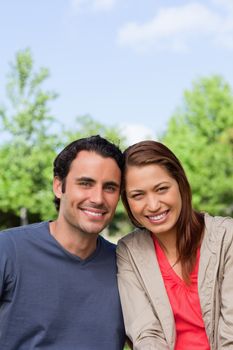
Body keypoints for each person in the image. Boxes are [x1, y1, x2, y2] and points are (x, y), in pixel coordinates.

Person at [0, 135, 126, 350]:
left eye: (110, 187)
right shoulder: (7, 250)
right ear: (59, 187)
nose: (98, 198)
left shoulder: (126, 266)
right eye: (86, 183)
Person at [117, 140, 233, 350]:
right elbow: (145, 333)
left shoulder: (227, 238)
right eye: (138, 195)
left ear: (180, 184)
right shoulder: (128, 251)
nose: (153, 205)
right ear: (126, 200)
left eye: (161, 189)